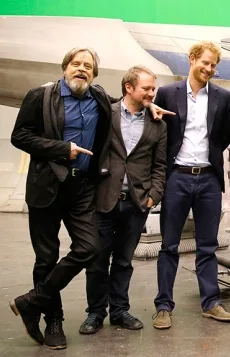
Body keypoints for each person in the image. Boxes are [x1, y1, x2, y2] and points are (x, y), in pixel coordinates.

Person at [9, 47, 113, 349]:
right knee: (46, 258)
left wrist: (148, 106)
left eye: (88, 66)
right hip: (47, 186)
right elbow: (20, 136)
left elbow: (122, 107)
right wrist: (61, 148)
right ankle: (53, 319)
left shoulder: (100, 98)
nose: (82, 69)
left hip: (82, 188)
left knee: (89, 247)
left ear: (94, 74)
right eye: (76, 64)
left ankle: (32, 301)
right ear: (65, 67)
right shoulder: (40, 96)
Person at [152, 41, 230, 329]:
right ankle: (163, 306)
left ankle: (211, 303)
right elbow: (158, 132)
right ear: (192, 59)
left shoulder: (224, 98)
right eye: (205, 63)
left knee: (207, 246)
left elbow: (223, 137)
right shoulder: (166, 93)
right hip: (177, 177)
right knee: (169, 245)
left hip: (209, 179)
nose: (209, 69)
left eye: (213, 65)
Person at [79, 66, 167, 334]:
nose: (152, 93)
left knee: (123, 262)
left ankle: (119, 311)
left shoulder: (158, 124)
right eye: (147, 89)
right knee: (97, 262)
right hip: (103, 199)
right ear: (129, 88)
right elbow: (92, 91)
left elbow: (160, 166)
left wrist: (154, 195)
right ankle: (95, 313)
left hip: (136, 203)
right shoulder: (107, 113)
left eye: (153, 88)